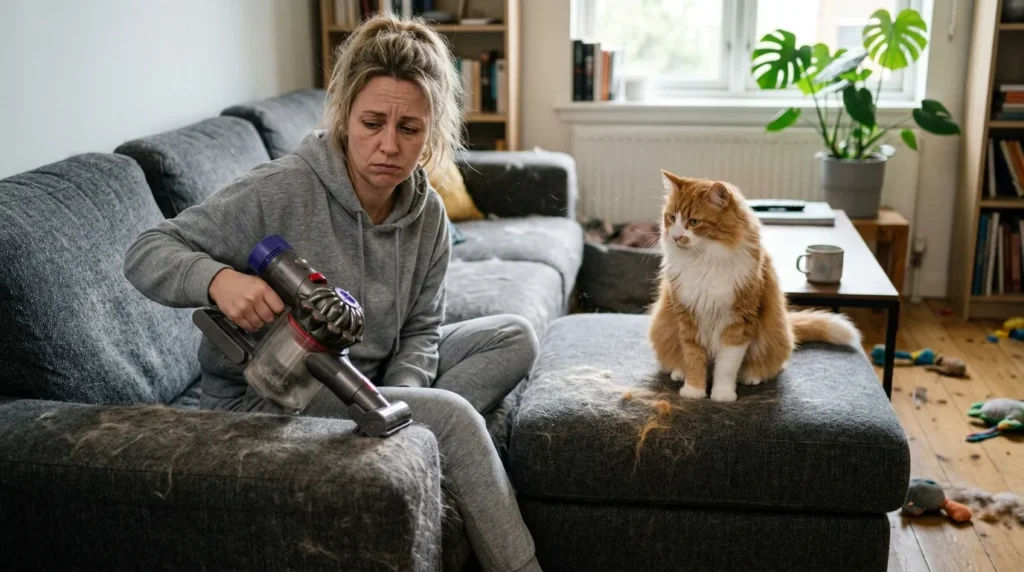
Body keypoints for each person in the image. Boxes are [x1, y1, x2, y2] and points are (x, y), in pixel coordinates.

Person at [122, 13, 542, 572]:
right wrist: (220, 280)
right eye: (372, 122)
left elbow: (421, 329)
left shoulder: (430, 217)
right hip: (271, 392)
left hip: (366, 377)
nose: (388, 146)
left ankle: (405, 437)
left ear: (432, 133)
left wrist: (399, 398)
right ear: (344, 116)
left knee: (515, 336)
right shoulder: (280, 189)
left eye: (409, 129)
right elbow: (146, 251)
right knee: (458, 421)